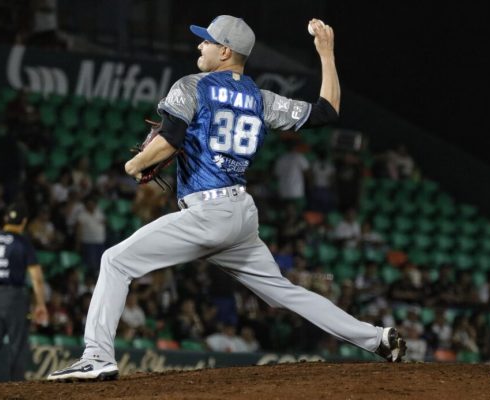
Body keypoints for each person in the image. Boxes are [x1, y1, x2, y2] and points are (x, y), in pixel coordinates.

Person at [48, 15, 406, 381]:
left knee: (115, 261)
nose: (199, 45)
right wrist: (326, 54)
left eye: (206, 41)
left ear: (225, 51)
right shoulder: (261, 99)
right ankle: (376, 339)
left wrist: (134, 164)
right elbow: (326, 111)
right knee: (284, 292)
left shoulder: (192, 85)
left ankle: (96, 355)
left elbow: (169, 139)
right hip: (240, 215)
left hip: (208, 213)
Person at [0, 203, 48, 382]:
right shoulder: (23, 243)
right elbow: (36, 277)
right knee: (18, 344)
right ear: (24, 222)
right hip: (15, 297)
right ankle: (16, 385)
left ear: (6, 219)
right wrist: (40, 304)